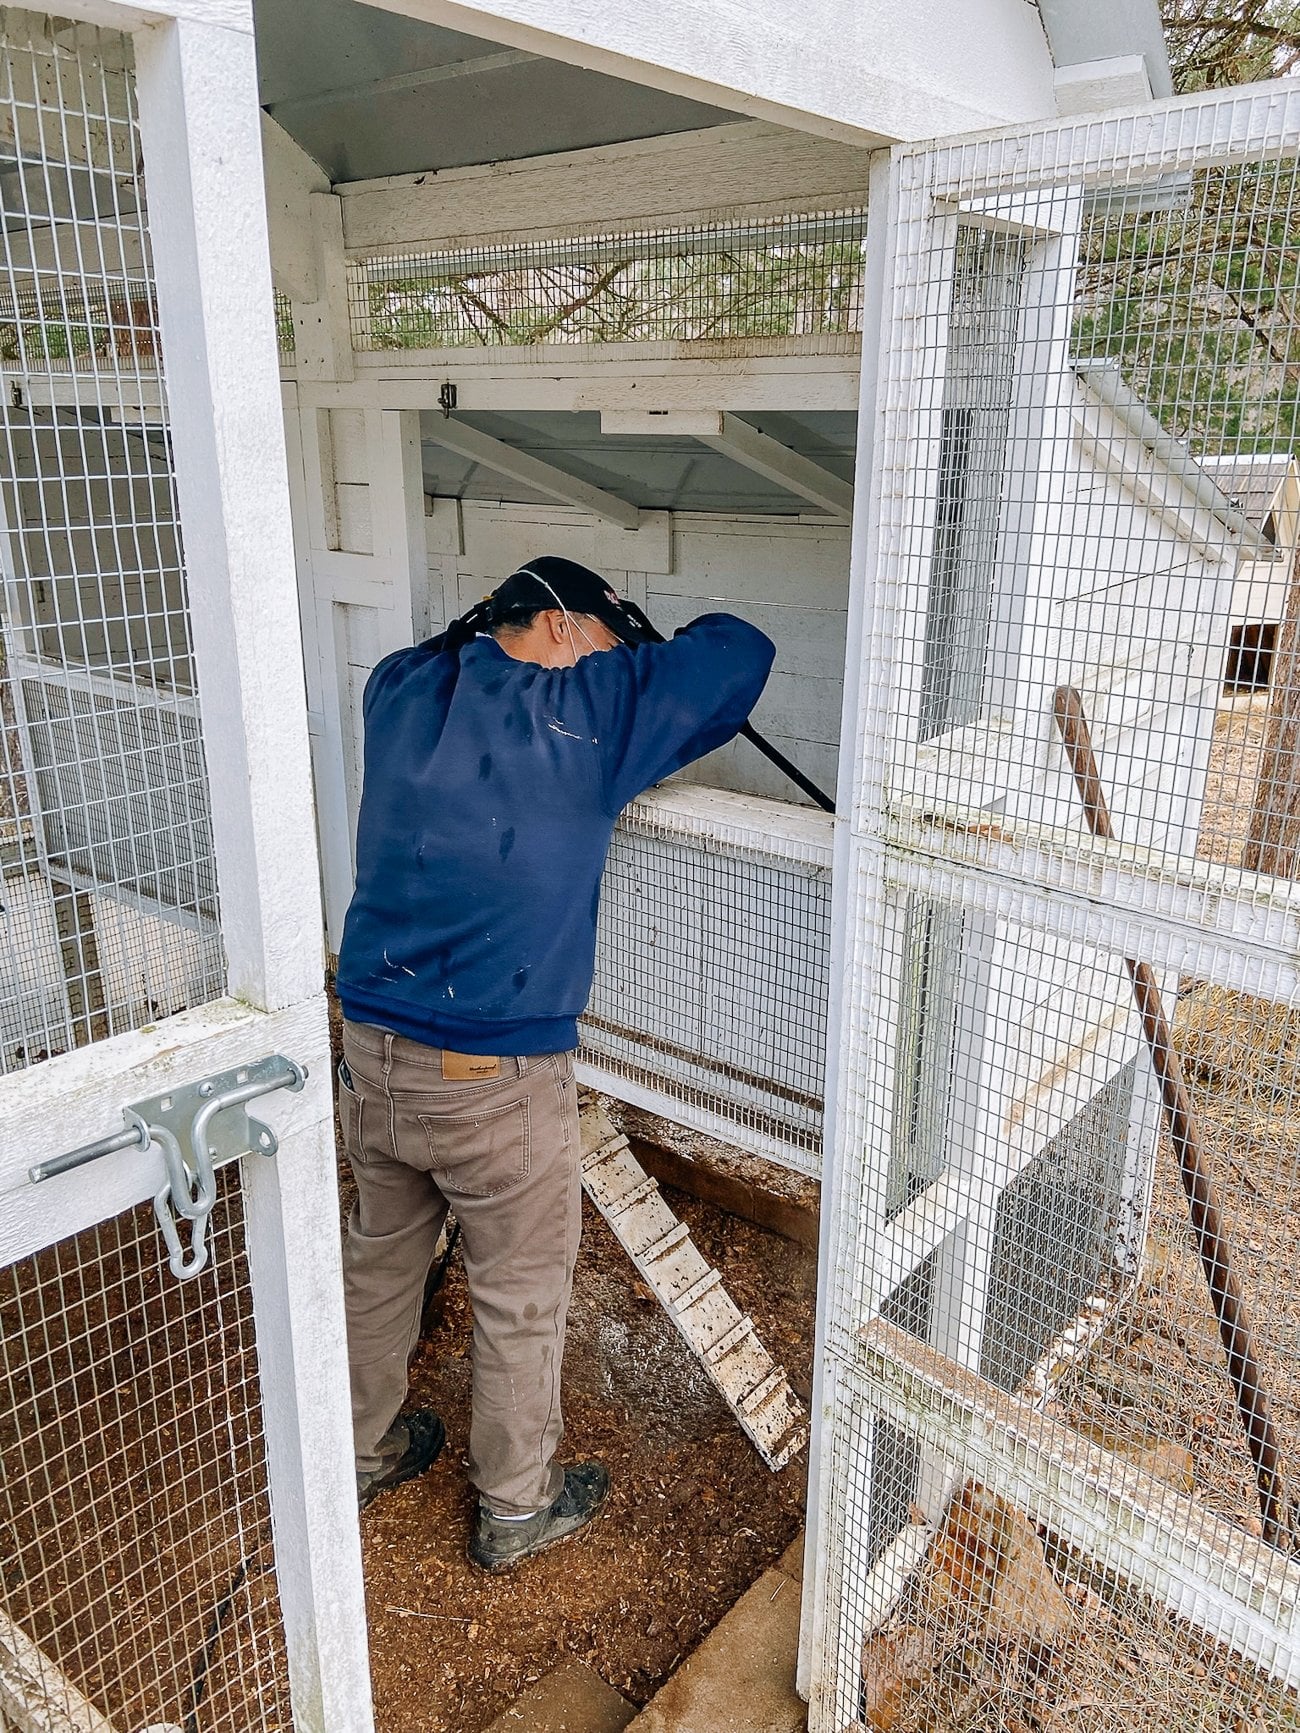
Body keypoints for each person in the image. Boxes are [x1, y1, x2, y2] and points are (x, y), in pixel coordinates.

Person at [334, 555, 774, 1572]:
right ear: (566, 629)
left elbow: (455, 647)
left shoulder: (399, 688)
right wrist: (634, 651)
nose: (613, 666)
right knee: (519, 1292)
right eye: (607, 647)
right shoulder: (585, 714)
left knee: (381, 1256)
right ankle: (516, 1506)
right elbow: (739, 651)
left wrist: (523, 622)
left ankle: (357, 1448)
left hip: (372, 1052)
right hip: (493, 1078)